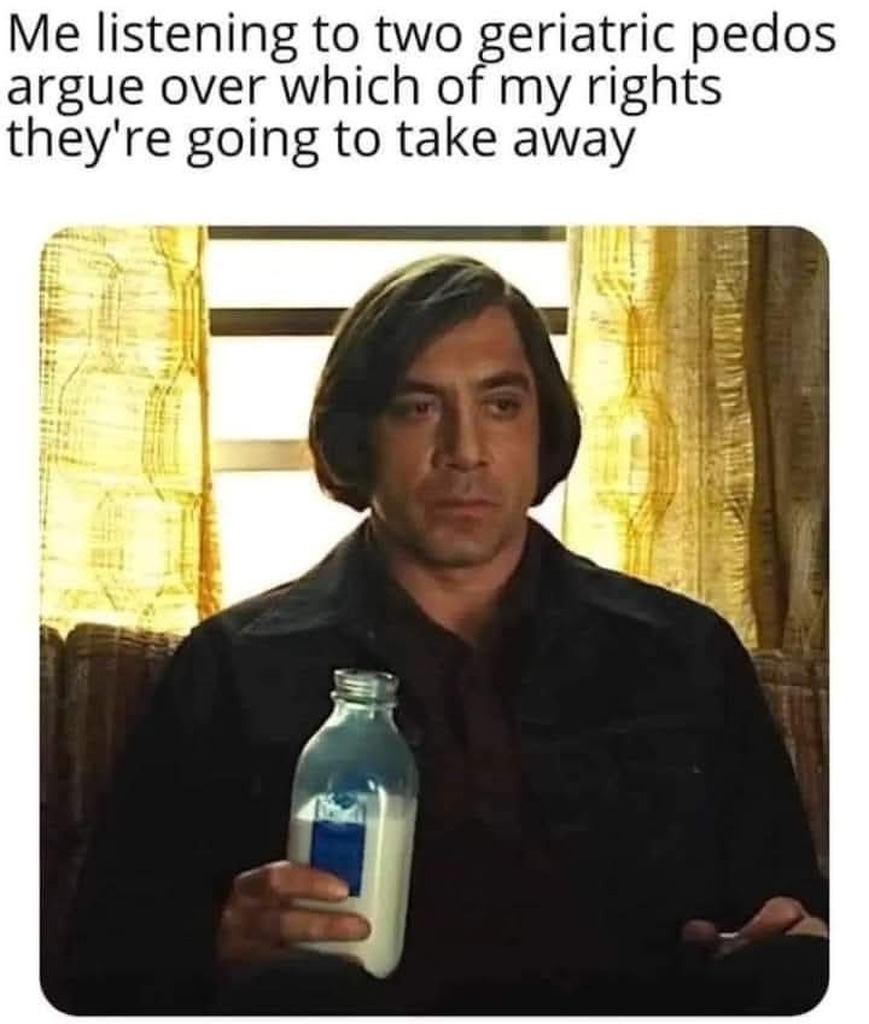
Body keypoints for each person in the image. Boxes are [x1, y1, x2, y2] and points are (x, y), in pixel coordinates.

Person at [58, 254, 828, 1014]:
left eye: (501, 405)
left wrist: (780, 943)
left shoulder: (684, 651)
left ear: (543, 428)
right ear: (357, 437)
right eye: (417, 408)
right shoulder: (234, 666)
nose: (465, 451)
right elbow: (101, 972)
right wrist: (220, 943)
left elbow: (790, 915)